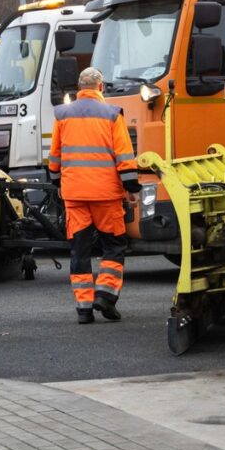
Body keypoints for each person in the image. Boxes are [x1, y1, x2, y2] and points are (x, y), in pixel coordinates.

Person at [48, 67, 141, 324]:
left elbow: (54, 156)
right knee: (114, 245)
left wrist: (57, 181)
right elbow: (123, 155)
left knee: (80, 251)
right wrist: (131, 188)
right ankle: (106, 296)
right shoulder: (112, 114)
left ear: (79, 88)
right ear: (101, 87)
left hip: (75, 195)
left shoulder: (63, 114)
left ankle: (84, 309)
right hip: (106, 195)